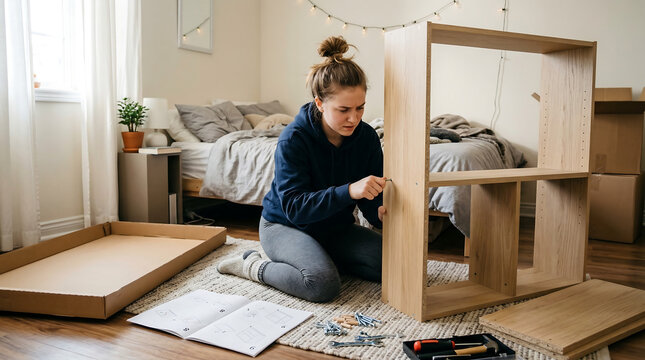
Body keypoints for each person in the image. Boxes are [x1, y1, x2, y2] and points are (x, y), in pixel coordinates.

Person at [217, 36, 386, 302]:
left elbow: (371, 199)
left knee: (396, 266)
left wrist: (381, 214)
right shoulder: (294, 138)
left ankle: (321, 258)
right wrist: (350, 191)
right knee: (321, 285)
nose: (354, 118)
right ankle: (252, 265)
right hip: (285, 226)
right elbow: (295, 207)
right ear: (319, 103)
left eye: (360, 108)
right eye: (343, 110)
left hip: (334, 228)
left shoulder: (366, 138)